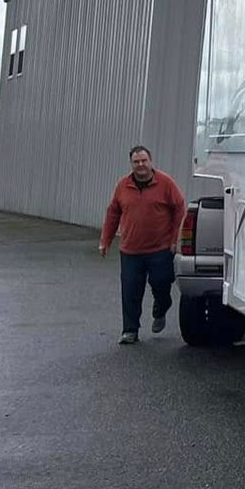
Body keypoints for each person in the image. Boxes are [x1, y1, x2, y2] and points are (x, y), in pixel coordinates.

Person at [100, 145, 186, 345]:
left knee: (162, 283)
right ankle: (130, 330)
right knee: (130, 290)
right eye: (136, 162)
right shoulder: (123, 185)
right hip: (131, 250)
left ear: (150, 161)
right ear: (131, 164)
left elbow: (179, 208)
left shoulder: (165, 183)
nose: (140, 165)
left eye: (143, 161)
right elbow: (113, 213)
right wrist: (105, 240)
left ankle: (161, 307)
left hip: (160, 249)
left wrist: (175, 240)